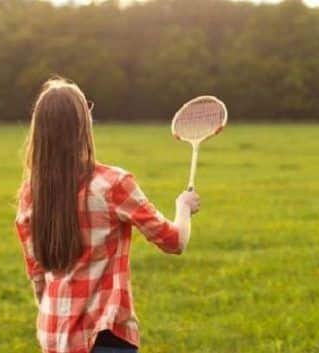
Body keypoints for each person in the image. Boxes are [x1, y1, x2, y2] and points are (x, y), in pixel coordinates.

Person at [15, 77, 200, 353]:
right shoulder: (114, 184)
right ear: (83, 125)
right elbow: (174, 242)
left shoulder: (31, 192)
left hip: (54, 337)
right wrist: (183, 207)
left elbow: (38, 279)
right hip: (105, 337)